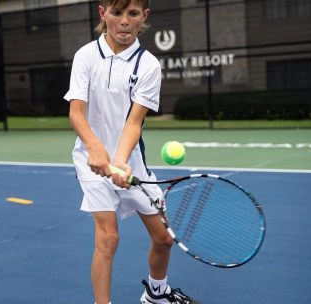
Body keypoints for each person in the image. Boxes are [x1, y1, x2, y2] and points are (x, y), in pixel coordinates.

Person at [64, 1, 197, 303]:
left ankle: (156, 293)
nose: (124, 21)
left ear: (144, 17)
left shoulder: (148, 64)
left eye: (132, 14)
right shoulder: (85, 56)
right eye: (117, 13)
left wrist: (120, 161)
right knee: (108, 237)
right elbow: (76, 113)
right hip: (90, 161)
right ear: (103, 14)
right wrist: (95, 149)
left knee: (164, 239)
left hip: (130, 161)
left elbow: (134, 122)